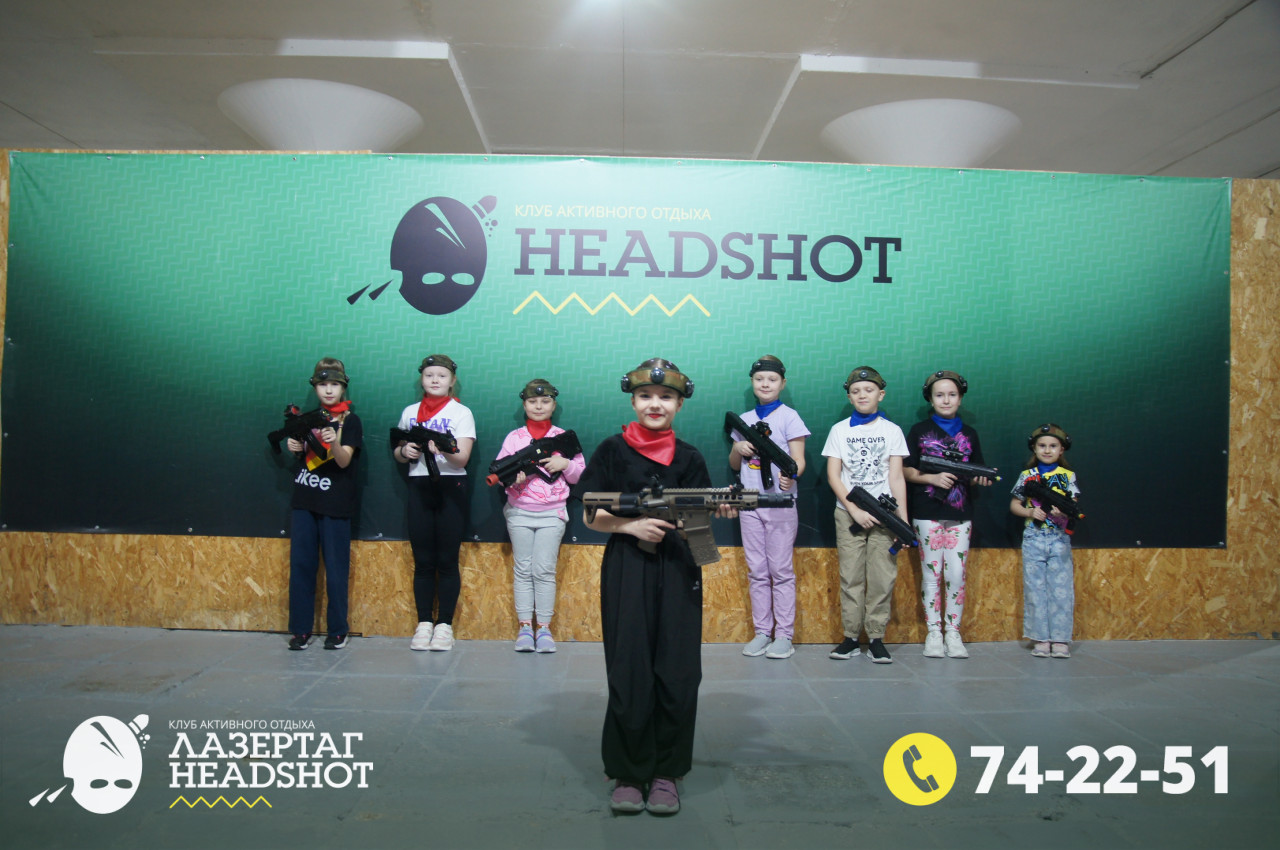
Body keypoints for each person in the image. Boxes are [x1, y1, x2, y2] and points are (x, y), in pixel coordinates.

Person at [575, 358, 732, 816]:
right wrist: (630, 526)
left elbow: (697, 526)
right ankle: (628, 772)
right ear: (633, 402)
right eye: (646, 396)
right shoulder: (611, 450)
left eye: (666, 397)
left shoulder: (690, 457)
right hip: (628, 565)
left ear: (680, 405)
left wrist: (715, 511)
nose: (655, 404)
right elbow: (589, 511)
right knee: (629, 668)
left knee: (679, 672)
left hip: (680, 568)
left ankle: (667, 772)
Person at [902, 370, 993, 659]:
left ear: (960, 398)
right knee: (931, 574)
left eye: (952, 394)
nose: (946, 400)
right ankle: (933, 632)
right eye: (939, 395)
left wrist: (980, 479)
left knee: (956, 573)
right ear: (930, 399)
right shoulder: (918, 431)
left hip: (960, 513)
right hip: (926, 511)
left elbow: (977, 471)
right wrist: (932, 478)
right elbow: (905, 470)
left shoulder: (970, 434)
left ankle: (953, 632)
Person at [821, 366, 909, 664]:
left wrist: (902, 520)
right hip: (848, 514)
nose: (862, 395)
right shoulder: (839, 430)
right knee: (851, 577)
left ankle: (875, 638)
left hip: (885, 515)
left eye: (869, 390)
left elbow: (896, 477)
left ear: (880, 394)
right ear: (849, 396)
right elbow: (834, 476)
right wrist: (855, 510)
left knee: (882, 577)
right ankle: (850, 637)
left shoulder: (892, 431)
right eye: (856, 391)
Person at [493, 378, 585, 653]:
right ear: (524, 405)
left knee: (544, 570)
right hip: (520, 512)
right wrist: (513, 480)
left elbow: (581, 475)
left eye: (545, 401)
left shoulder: (562, 437)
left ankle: (543, 628)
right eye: (532, 401)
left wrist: (564, 463)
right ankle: (525, 627)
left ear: (554, 405)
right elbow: (501, 476)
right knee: (523, 569)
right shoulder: (515, 438)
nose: (539, 406)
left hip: (552, 514)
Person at [727, 355, 808, 660]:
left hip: (780, 504)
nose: (765, 384)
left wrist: (791, 476)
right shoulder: (744, 419)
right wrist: (737, 448)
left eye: (772, 379)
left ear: (782, 384)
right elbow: (735, 464)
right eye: (760, 379)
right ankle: (762, 631)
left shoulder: (789, 417)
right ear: (752, 382)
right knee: (757, 570)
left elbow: (798, 459)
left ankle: (784, 635)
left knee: (781, 570)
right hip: (749, 503)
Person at [393, 354, 475, 652]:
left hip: (451, 487)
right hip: (419, 486)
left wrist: (442, 447)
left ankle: (444, 625)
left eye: (441, 375)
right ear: (422, 380)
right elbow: (398, 451)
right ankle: (424, 622)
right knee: (424, 561)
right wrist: (406, 452)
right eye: (429, 375)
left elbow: (462, 458)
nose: (435, 380)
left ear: (452, 381)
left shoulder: (461, 413)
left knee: (447, 560)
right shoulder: (410, 412)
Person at [283, 359, 363, 651]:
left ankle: (338, 630)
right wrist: (294, 446)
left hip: (336, 503)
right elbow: (300, 454)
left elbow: (343, 461)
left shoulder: (350, 421)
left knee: (336, 569)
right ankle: (300, 630)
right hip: (304, 500)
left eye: (335, 385)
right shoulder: (307, 418)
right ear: (315, 387)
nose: (328, 390)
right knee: (301, 566)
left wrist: (334, 443)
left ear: (343, 387)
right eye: (323, 384)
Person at [1010, 423, 1080, 659]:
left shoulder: (1067, 476)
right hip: (1034, 537)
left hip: (1058, 537)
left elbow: (1073, 504)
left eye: (1053, 446)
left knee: (1061, 591)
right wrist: (1030, 512)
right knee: (1035, 589)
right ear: (1034, 448)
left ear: (1062, 449)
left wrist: (1063, 512)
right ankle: (1040, 638)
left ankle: (1060, 639)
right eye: (1042, 445)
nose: (1047, 450)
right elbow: (1015, 505)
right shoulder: (1027, 476)